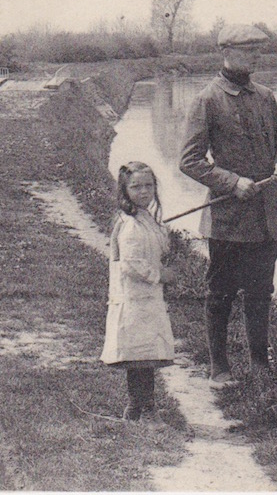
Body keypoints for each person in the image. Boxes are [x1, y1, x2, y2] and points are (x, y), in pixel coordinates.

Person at [179, 23, 277, 386]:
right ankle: (219, 367)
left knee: (261, 291)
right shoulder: (207, 100)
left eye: (258, 51)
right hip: (228, 216)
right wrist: (233, 182)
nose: (256, 57)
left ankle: (260, 366)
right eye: (249, 51)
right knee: (221, 292)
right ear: (226, 53)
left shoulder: (266, 96)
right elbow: (190, 160)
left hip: (267, 214)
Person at [99, 161, 176, 423]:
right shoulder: (130, 224)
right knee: (138, 358)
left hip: (146, 300)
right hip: (135, 299)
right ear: (125, 191)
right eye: (136, 187)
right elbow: (132, 264)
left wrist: (162, 234)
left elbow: (157, 247)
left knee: (145, 357)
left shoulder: (143, 218)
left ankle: (145, 407)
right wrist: (159, 274)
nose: (144, 192)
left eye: (149, 186)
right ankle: (138, 408)